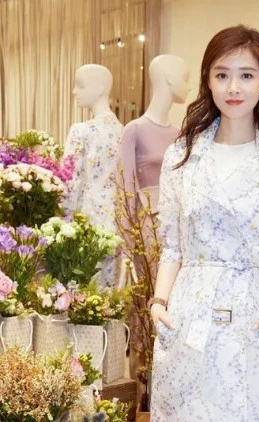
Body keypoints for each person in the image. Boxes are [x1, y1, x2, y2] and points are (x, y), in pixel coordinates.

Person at [149, 25, 259, 421]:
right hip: (191, 311)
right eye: (222, 74)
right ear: (208, 81)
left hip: (258, 310)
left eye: (246, 75)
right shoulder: (182, 156)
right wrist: (159, 304)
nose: (233, 87)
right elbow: (172, 244)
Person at [118, 54, 189, 383]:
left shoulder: (181, 133)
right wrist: (128, 241)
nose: (188, 86)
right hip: (147, 227)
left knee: (175, 298)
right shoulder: (134, 130)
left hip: (177, 225)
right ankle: (142, 381)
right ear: (169, 80)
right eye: (185, 78)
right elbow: (125, 188)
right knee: (146, 299)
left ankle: (172, 375)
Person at [63, 64, 123, 287]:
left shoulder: (81, 131)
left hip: (86, 222)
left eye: (80, 85)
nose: (74, 91)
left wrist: (62, 223)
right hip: (117, 227)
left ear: (99, 88)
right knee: (110, 295)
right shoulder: (124, 131)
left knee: (81, 292)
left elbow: (71, 183)